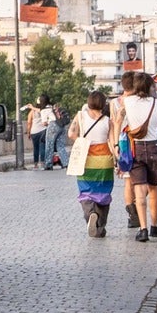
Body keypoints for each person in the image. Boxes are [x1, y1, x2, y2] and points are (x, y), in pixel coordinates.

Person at [118, 71, 157, 242]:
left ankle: (143, 229)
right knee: (154, 188)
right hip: (154, 148)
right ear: (150, 87)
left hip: (136, 149)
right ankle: (154, 225)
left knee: (139, 192)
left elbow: (119, 120)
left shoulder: (127, 102)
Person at [67, 90, 117, 237]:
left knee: (86, 191)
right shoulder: (108, 121)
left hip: (86, 158)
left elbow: (71, 134)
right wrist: (118, 161)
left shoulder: (80, 116)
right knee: (104, 192)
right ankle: (100, 227)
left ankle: (90, 214)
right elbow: (112, 143)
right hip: (104, 160)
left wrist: (82, 141)